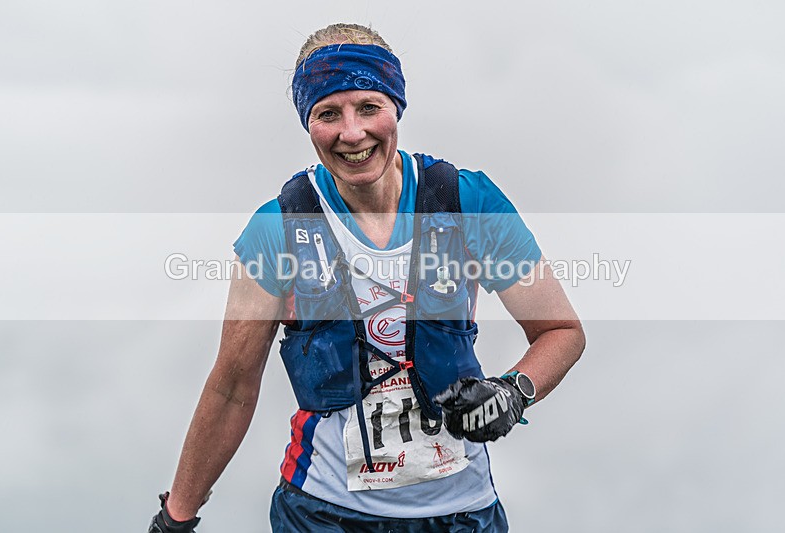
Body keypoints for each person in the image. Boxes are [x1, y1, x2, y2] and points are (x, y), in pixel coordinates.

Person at [149, 23, 585, 532]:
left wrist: (512, 392)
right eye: (327, 114)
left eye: (368, 107)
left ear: (396, 107)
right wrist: (175, 518)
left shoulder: (468, 203)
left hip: (462, 512)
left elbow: (561, 332)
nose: (351, 133)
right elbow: (232, 386)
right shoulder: (278, 229)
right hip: (322, 513)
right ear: (307, 124)